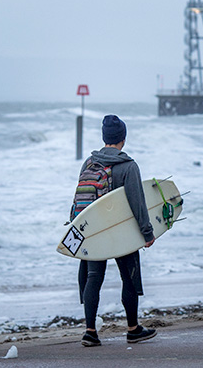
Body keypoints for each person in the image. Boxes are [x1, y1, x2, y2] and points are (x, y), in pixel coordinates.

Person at [76, 114, 157, 347]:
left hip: (95, 231)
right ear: (123, 138)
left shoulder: (89, 163)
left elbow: (83, 202)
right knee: (128, 278)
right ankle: (133, 329)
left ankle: (90, 332)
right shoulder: (128, 165)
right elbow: (137, 203)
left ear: (104, 138)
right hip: (121, 230)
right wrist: (147, 233)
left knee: (94, 277)